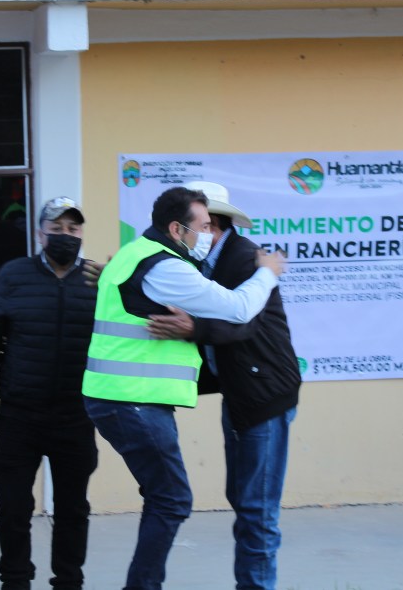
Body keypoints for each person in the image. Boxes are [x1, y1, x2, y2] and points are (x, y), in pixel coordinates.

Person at [82, 186, 285, 590]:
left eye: (212, 226)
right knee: (172, 499)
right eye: (202, 226)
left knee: (165, 497)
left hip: (121, 398)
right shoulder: (166, 268)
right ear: (177, 229)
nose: (207, 234)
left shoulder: (136, 252)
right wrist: (268, 272)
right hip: (133, 401)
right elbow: (239, 309)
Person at [147, 181, 301, 590]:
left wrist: (193, 329)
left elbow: (240, 321)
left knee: (257, 509)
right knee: (243, 500)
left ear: (211, 225)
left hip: (265, 396)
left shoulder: (245, 260)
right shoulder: (199, 262)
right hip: (239, 393)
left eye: (195, 226)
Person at [0, 196, 101, 590]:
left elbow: (121, 338)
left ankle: (68, 581)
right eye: (56, 228)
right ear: (41, 233)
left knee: (73, 510)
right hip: (20, 417)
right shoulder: (14, 275)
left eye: (73, 228)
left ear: (82, 233)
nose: (65, 235)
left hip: (77, 417)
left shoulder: (98, 280)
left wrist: (120, 286)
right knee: (12, 509)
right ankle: (15, 581)